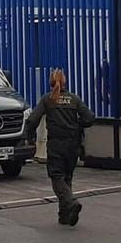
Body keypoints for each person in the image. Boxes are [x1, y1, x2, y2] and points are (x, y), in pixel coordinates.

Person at [26, 69, 95, 226]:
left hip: (56, 144)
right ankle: (64, 216)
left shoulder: (48, 99)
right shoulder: (74, 99)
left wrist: (28, 136)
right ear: (64, 82)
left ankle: (71, 202)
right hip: (73, 144)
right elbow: (90, 118)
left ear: (51, 83)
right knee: (67, 177)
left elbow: (33, 120)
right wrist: (78, 125)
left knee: (56, 177)